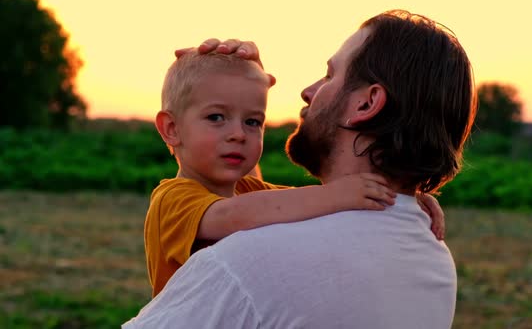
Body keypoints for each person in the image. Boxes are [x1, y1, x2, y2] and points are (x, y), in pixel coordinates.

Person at [125, 9, 475, 328]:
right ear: (170, 128)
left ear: (367, 103)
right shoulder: (433, 259)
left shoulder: (244, 266)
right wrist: (406, 198)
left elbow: (261, 209)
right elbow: (253, 209)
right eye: (216, 117)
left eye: (329, 75)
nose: (307, 92)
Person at [145, 50, 445, 297]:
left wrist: (401, 194)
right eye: (216, 117)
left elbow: (301, 206)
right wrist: (336, 193)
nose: (238, 134)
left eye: (253, 122)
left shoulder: (250, 192)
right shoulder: (172, 199)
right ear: (171, 129)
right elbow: (230, 217)